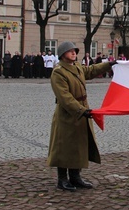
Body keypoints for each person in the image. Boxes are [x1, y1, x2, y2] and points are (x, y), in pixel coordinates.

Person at [47, 41, 114, 192]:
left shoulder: (76, 67)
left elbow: (89, 70)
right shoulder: (58, 72)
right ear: (63, 54)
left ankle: (76, 177)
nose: (74, 53)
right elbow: (65, 97)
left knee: (78, 146)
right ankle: (62, 179)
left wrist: (109, 65)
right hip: (67, 114)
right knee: (64, 146)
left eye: (75, 51)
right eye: (70, 51)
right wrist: (81, 110)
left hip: (82, 110)